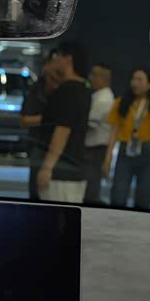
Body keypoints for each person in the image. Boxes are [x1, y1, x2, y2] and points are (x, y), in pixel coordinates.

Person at [34, 42, 92, 203]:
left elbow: (62, 130)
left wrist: (47, 167)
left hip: (60, 172)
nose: (55, 60)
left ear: (68, 59)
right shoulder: (83, 89)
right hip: (75, 167)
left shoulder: (67, 91)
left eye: (57, 56)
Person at [103, 68, 150, 208]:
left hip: (147, 151)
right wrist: (108, 158)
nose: (135, 83)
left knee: (144, 198)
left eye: (140, 79)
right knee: (118, 195)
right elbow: (114, 131)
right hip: (125, 150)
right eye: (133, 79)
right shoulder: (121, 102)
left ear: (149, 83)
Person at [20, 50, 65, 199]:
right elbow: (24, 120)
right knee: (36, 190)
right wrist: (48, 119)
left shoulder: (66, 90)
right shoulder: (36, 90)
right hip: (39, 145)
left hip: (61, 149)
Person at [84, 63, 115, 203]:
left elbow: (89, 124)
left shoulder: (103, 99)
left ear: (104, 78)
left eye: (94, 75)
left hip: (95, 149)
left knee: (90, 190)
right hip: (94, 149)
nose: (90, 78)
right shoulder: (98, 96)